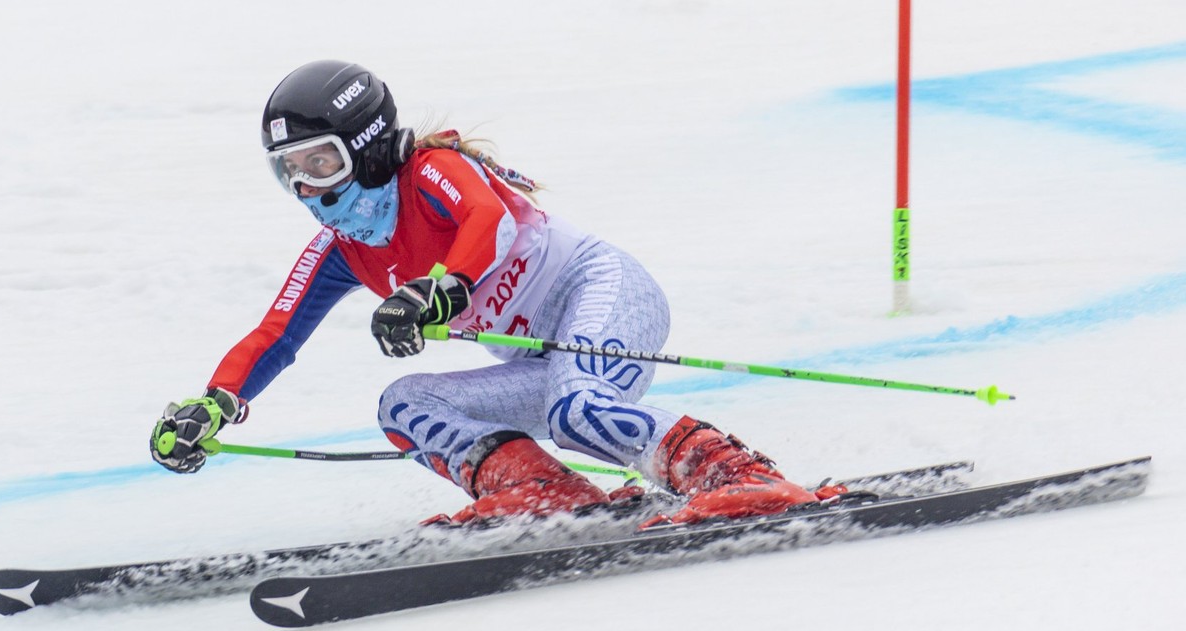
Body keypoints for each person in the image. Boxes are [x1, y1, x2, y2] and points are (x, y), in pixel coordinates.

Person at [150, 60, 826, 527]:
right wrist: (212, 405)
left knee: (577, 409)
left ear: (368, 145)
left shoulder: (432, 171)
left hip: (606, 294)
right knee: (405, 403)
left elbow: (487, 220)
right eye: (289, 173)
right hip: (540, 359)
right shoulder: (340, 250)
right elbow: (274, 334)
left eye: (320, 163)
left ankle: (735, 476)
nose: (308, 189)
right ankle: (542, 490)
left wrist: (438, 290)